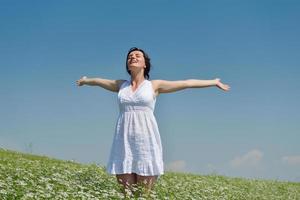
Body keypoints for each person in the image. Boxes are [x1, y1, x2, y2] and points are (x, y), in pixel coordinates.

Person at [76, 47, 230, 197]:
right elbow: (97, 81)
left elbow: (186, 83)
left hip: (146, 141)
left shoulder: (154, 85)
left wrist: (213, 81)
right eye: (130, 56)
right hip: (123, 142)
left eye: (137, 55)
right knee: (126, 195)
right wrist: (84, 80)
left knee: (144, 195)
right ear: (127, 65)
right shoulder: (120, 85)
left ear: (145, 64)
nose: (133, 57)